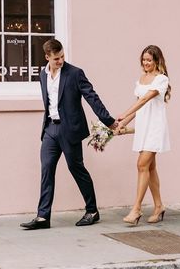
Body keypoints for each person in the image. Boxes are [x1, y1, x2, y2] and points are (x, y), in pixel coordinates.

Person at [20, 38, 118, 230]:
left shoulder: (75, 73)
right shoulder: (43, 74)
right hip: (50, 129)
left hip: (69, 130)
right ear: (47, 57)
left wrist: (108, 120)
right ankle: (42, 217)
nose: (61, 61)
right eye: (57, 58)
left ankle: (92, 211)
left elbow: (92, 97)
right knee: (46, 169)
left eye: (63, 56)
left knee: (76, 169)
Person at [115, 45, 171, 226]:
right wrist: (122, 124)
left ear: (157, 61)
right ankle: (159, 206)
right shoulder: (141, 79)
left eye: (149, 60)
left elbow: (145, 99)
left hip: (154, 128)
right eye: (144, 60)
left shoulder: (161, 79)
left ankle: (136, 209)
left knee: (141, 165)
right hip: (143, 128)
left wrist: (124, 112)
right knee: (150, 168)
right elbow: (139, 107)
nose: (146, 63)